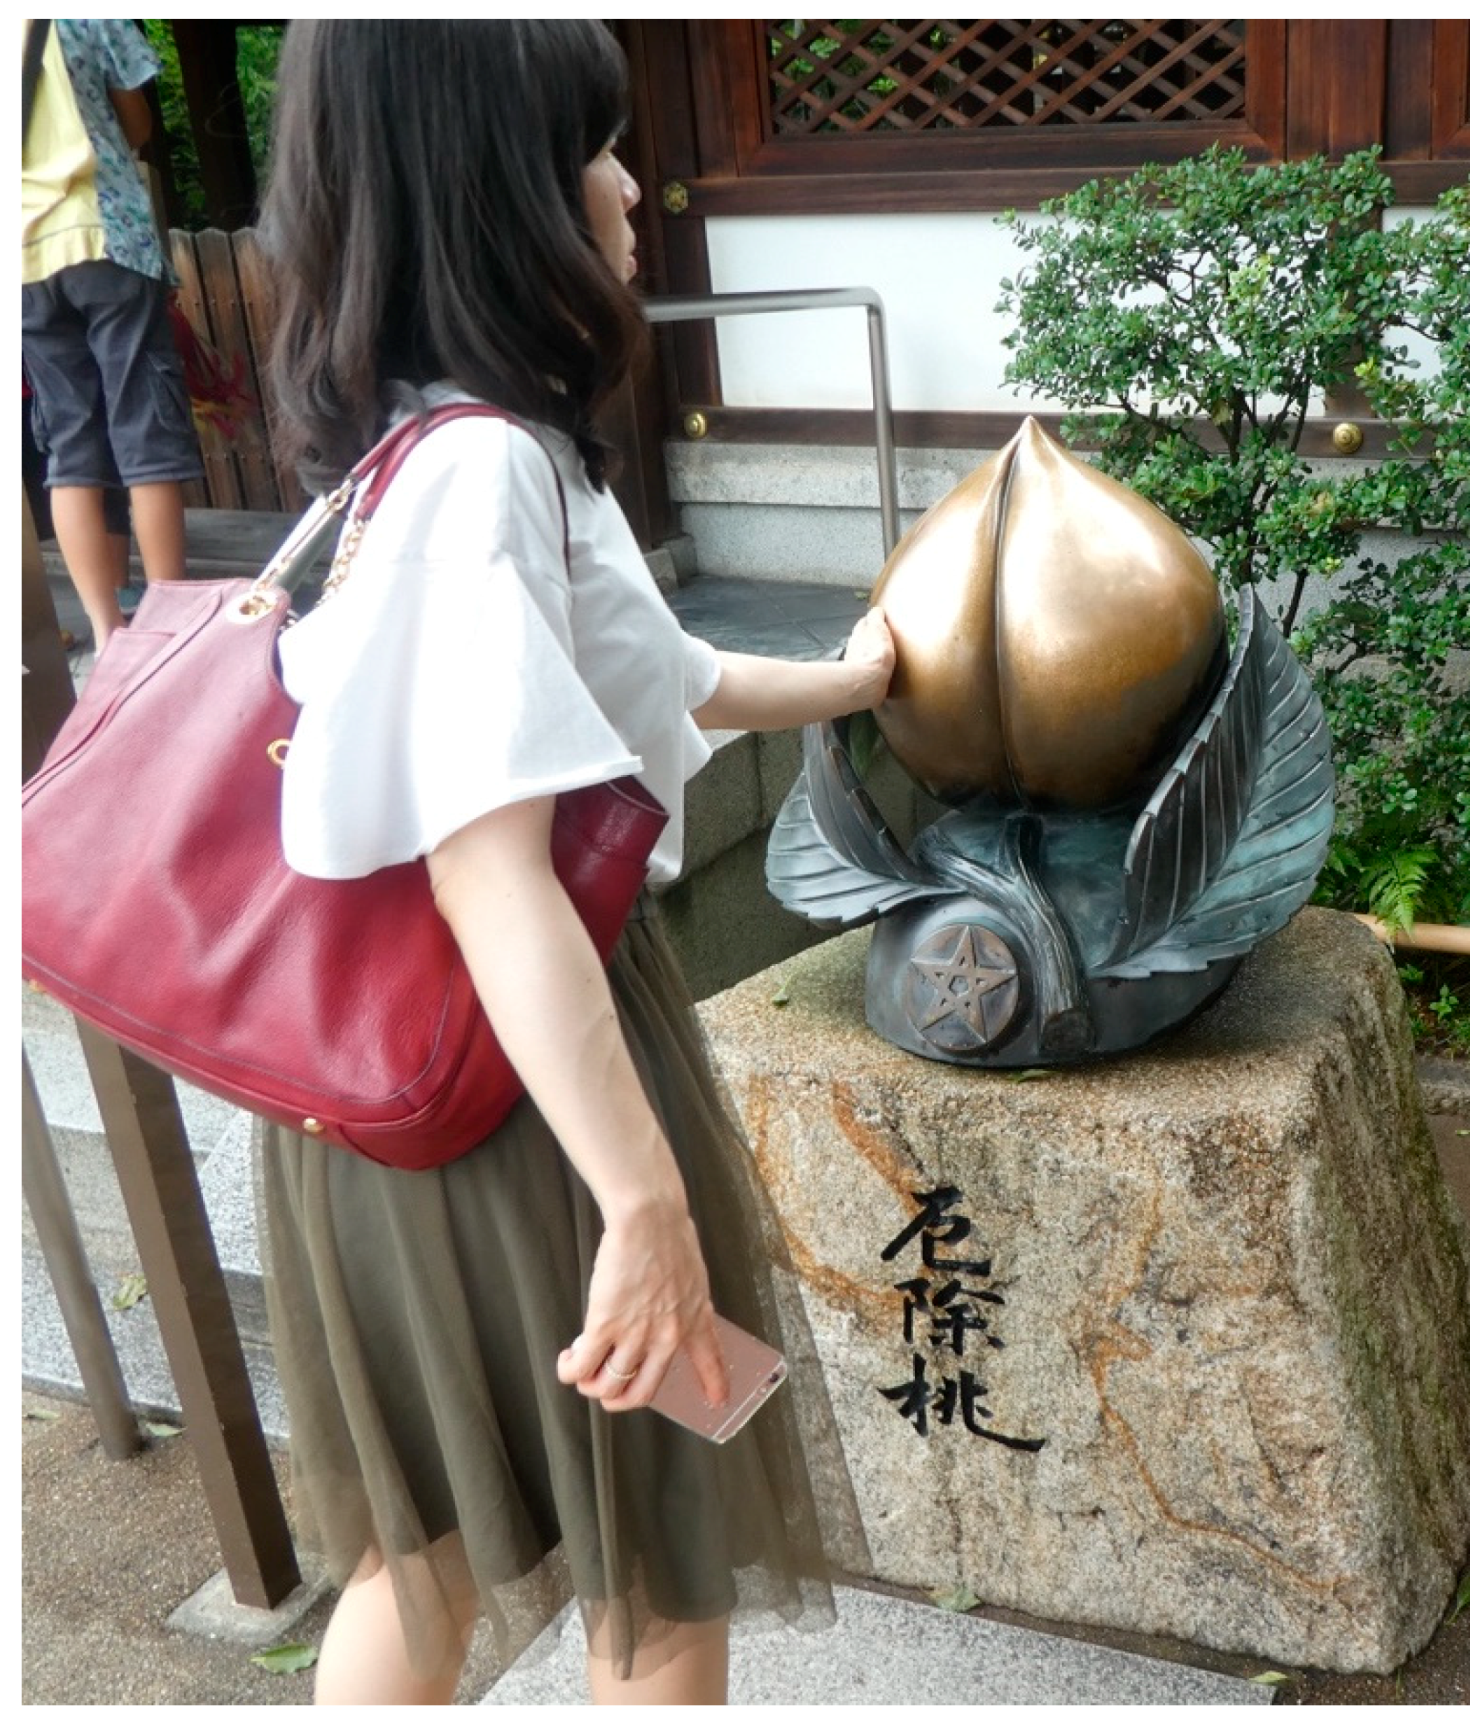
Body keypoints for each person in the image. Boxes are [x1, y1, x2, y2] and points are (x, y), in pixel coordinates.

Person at [254, 22, 891, 1706]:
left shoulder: (415, 452)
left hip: (396, 1095)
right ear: (493, 192)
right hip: (528, 1100)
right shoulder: (484, 471)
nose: (625, 183)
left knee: (433, 1553)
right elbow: (492, 872)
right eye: (584, 147)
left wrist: (864, 676)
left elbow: (662, 675)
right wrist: (645, 1198)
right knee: (663, 1570)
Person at [20, 19, 203, 653]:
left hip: (22, 261)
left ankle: (107, 635)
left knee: (70, 448)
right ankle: (170, 630)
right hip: (106, 239)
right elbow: (141, 126)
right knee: (143, 432)